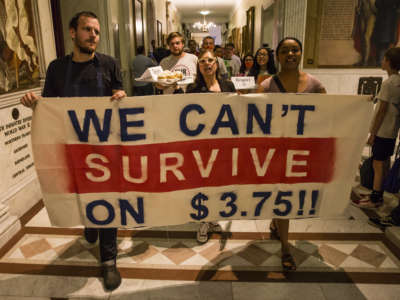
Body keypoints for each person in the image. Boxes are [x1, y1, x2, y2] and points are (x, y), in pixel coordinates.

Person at [19, 11, 126, 291]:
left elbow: (120, 94)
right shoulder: (56, 68)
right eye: (88, 30)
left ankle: (109, 261)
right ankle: (90, 224)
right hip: (72, 148)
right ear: (72, 33)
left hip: (104, 149)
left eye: (97, 31)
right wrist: (35, 104)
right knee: (81, 195)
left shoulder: (109, 64)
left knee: (107, 201)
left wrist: (120, 96)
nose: (94, 36)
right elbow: (50, 106)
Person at [257, 37, 326, 272]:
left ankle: (277, 225)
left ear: (300, 53)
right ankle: (286, 247)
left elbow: (329, 114)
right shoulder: (267, 86)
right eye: (285, 51)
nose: (290, 54)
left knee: (291, 193)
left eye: (295, 50)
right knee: (282, 194)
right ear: (277, 56)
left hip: (301, 152)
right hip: (275, 151)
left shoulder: (315, 85)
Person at [186, 48, 235, 243]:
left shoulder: (228, 85)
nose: (207, 64)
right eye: (203, 61)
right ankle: (203, 219)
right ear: (198, 66)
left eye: (210, 61)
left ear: (217, 64)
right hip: (201, 144)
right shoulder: (192, 89)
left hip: (223, 142)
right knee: (202, 182)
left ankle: (213, 216)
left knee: (218, 181)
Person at [352, 47, 400, 209]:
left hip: (382, 131)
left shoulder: (388, 83)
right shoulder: (398, 82)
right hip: (392, 131)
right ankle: (378, 193)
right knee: (384, 162)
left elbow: (381, 111)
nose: (382, 62)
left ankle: (376, 198)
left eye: (384, 59)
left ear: (388, 62)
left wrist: (373, 133)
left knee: (377, 165)